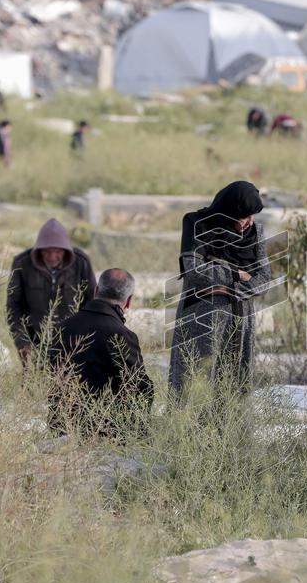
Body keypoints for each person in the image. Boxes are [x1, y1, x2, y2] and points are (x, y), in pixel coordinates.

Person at [168, 181, 271, 396]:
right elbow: (195, 271)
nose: (249, 222)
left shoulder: (255, 232)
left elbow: (264, 277)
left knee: (234, 388)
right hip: (202, 318)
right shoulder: (197, 224)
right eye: (244, 216)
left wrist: (233, 289)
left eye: (253, 216)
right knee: (195, 384)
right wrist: (236, 275)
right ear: (230, 211)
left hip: (240, 319)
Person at [51, 268, 154, 439]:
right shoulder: (121, 334)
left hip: (61, 428)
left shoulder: (61, 328)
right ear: (128, 302)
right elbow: (139, 389)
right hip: (102, 434)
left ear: (96, 291)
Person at [6, 218, 96, 366]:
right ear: (39, 249)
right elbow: (13, 306)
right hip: (35, 342)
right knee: (34, 386)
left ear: (66, 250)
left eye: (58, 252)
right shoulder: (22, 263)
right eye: (47, 251)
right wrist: (22, 342)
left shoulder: (81, 262)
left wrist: (84, 340)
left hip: (72, 344)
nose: (52, 257)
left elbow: (91, 303)